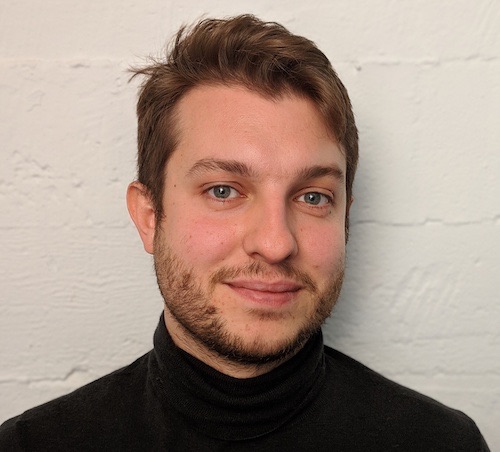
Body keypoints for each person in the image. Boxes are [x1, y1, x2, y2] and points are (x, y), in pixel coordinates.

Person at [0, 14, 489, 451]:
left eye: (313, 197)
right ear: (149, 217)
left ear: (345, 220)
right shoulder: (33, 445)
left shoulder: (440, 443)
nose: (276, 244)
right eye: (223, 191)